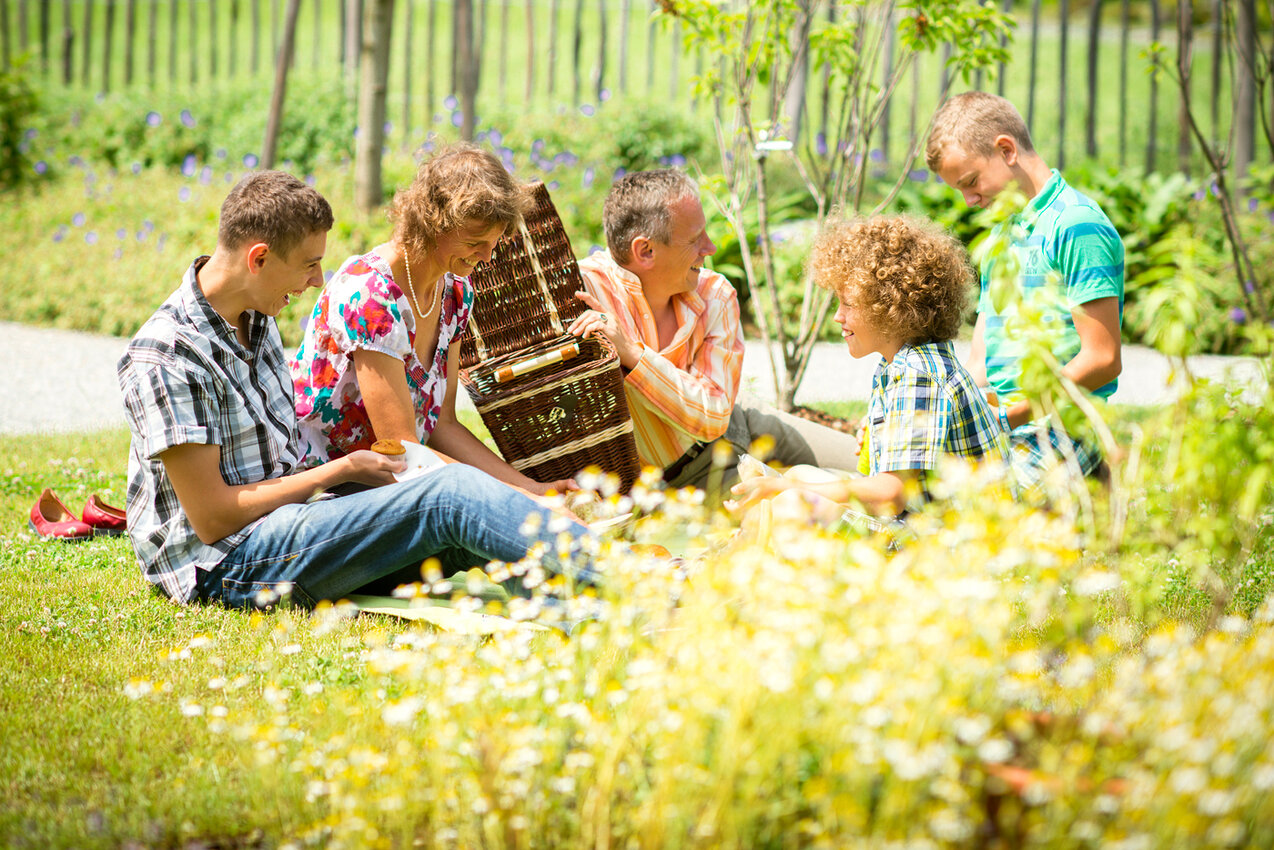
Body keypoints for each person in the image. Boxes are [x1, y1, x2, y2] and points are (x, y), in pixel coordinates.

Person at [117, 171, 595, 611]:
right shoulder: (166, 355)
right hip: (227, 564)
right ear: (258, 258)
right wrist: (342, 470)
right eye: (309, 265)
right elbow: (215, 519)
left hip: (294, 522)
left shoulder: (253, 318)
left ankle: (588, 603)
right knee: (448, 496)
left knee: (464, 532)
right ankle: (630, 577)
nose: (317, 281)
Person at [291, 144, 576, 496]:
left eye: (495, 242)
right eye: (475, 241)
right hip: (325, 489)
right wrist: (516, 499)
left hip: (400, 480)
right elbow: (402, 448)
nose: (488, 256)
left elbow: (443, 424)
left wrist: (535, 489)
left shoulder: (456, 291)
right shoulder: (370, 294)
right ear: (433, 222)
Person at [568, 168, 860, 494]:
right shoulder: (582, 292)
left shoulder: (714, 293)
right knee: (825, 501)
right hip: (691, 476)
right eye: (695, 240)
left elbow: (713, 417)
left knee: (867, 461)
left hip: (738, 419)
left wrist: (634, 355)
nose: (710, 248)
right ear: (645, 251)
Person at [729, 215, 1008, 518]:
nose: (838, 316)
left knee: (791, 502)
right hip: (937, 527)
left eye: (848, 304)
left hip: (950, 544)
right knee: (800, 475)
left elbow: (891, 495)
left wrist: (787, 492)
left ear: (891, 308)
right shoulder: (908, 364)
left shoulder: (919, 374)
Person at [926, 91, 1124, 486]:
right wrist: (949, 412)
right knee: (910, 492)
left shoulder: (1076, 225)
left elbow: (1103, 359)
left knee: (967, 518)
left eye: (970, 182)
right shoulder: (1005, 231)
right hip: (1009, 428)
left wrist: (1008, 416)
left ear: (1006, 150)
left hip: (1064, 428)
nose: (967, 200)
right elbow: (980, 358)